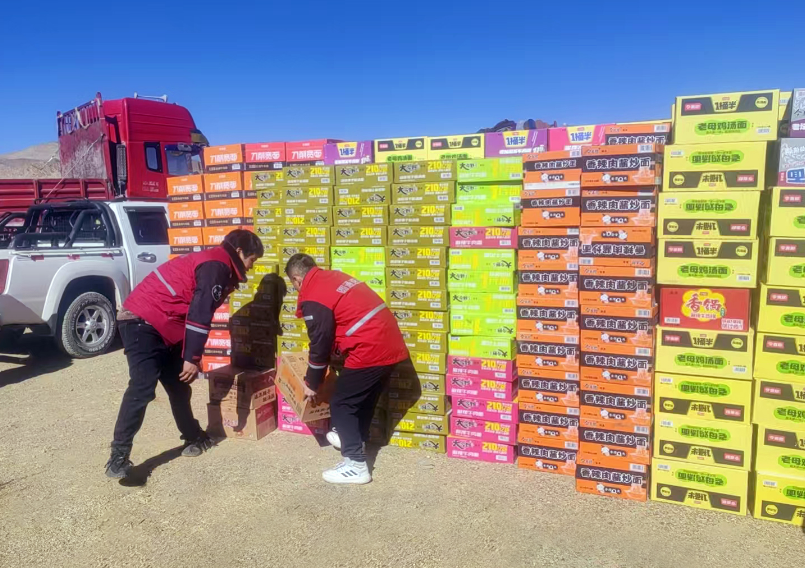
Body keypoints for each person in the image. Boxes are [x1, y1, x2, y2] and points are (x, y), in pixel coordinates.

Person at [105, 229, 264, 478]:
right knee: (142, 387)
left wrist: (189, 355)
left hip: (164, 324)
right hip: (142, 321)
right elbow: (200, 312)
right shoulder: (217, 265)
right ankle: (118, 457)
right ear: (240, 251)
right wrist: (192, 357)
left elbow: (191, 309)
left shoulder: (218, 263)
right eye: (252, 260)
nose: (251, 267)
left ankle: (193, 437)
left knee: (179, 386)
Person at [285, 253, 409, 484]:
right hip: (389, 344)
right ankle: (356, 444)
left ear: (296, 279)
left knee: (342, 403)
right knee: (363, 400)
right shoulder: (333, 278)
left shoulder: (313, 294)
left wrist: (312, 382)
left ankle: (356, 465)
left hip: (370, 347)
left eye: (294, 286)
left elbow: (320, 341)